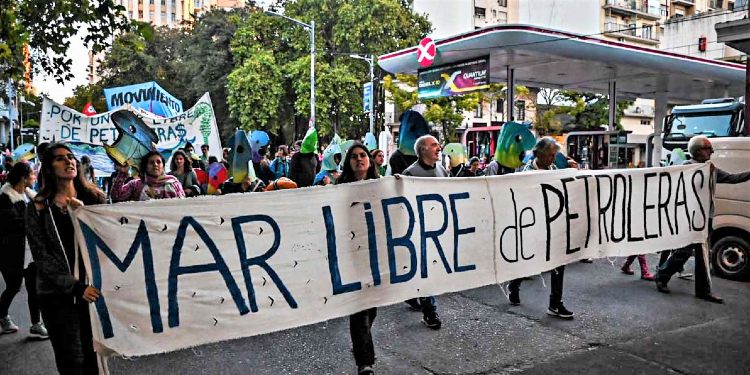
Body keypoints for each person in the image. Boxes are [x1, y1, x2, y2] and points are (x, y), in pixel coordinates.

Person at [26, 143, 106, 374]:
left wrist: (84, 217)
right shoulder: (39, 207)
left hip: (94, 292)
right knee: (71, 359)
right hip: (58, 296)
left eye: (71, 157)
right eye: (60, 158)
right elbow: (42, 256)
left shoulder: (95, 199)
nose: (69, 161)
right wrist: (75, 286)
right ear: (49, 168)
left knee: (95, 355)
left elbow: (112, 239)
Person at [655, 136, 750, 303]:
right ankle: (662, 276)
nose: (711, 152)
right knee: (684, 251)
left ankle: (703, 291)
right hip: (690, 217)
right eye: (708, 149)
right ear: (697, 151)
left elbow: (733, 178)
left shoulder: (710, 169)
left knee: (703, 256)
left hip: (706, 218)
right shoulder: (686, 168)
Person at [508, 137, 574, 319]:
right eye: (549, 155)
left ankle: (555, 303)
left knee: (559, 261)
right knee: (530, 262)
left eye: (554, 155)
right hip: (533, 224)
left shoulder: (554, 170)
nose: (552, 159)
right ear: (538, 154)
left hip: (552, 223)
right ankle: (514, 283)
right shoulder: (526, 174)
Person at [337, 143, 380, 375]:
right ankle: (365, 362)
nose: (359, 159)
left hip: (374, 255)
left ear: (370, 160)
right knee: (359, 309)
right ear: (348, 162)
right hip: (351, 254)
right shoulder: (340, 188)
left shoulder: (381, 185)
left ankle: (361, 346)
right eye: (354, 157)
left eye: (363, 155)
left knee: (371, 308)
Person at [400, 135, 446, 329]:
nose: (439, 147)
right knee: (425, 271)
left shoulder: (443, 170)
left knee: (432, 270)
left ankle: (414, 294)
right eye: (434, 145)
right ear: (423, 150)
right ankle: (430, 311)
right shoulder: (410, 173)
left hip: (439, 229)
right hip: (419, 231)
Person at [0, 162, 47, 338]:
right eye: (32, 174)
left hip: (30, 250)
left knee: (34, 288)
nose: (35, 177)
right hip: (10, 252)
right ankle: (3, 317)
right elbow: (10, 225)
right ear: (23, 178)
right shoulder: (5, 198)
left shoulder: (29, 195)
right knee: (13, 287)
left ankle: (36, 324)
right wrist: (33, 218)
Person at [111, 151, 185, 201]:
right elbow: (116, 196)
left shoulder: (173, 183)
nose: (155, 164)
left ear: (163, 166)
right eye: (151, 162)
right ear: (145, 166)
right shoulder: (135, 185)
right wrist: (122, 173)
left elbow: (182, 205)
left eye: (158, 162)